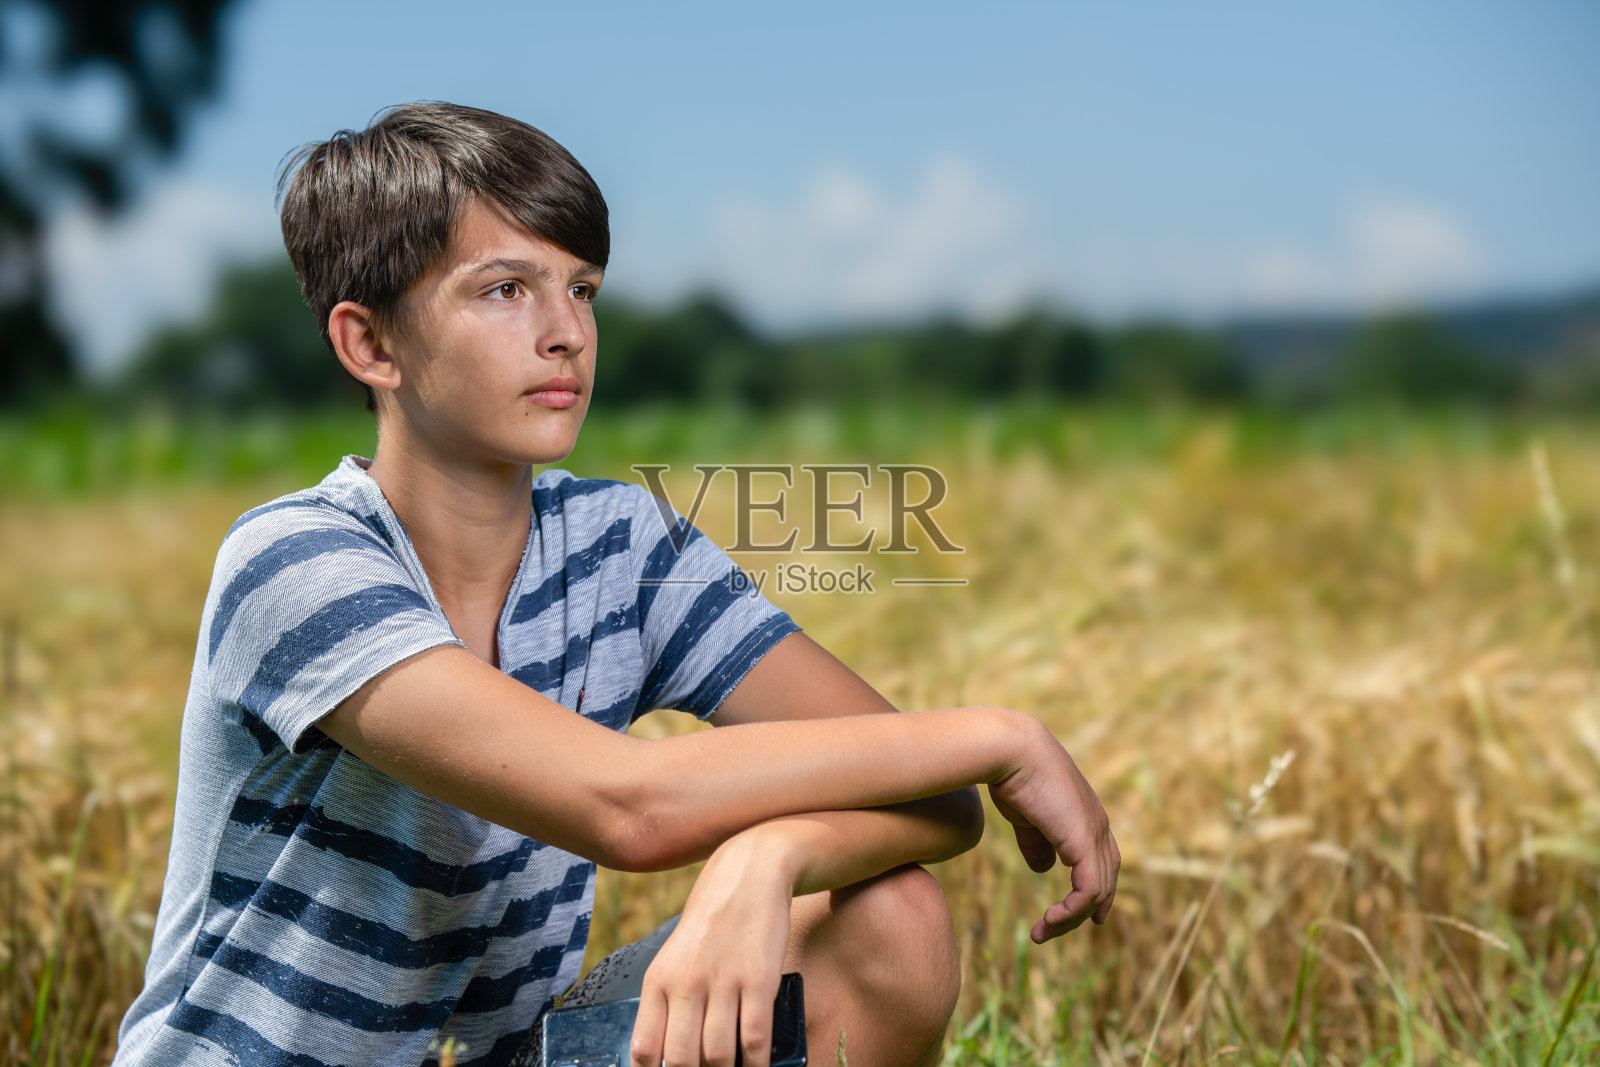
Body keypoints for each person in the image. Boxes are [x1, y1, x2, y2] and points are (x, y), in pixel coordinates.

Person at [111, 101, 1119, 1067]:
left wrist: (766, 860)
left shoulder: (625, 550)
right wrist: (1004, 733)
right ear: (371, 344)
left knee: (889, 913)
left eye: (581, 288)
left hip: (500, 1053)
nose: (566, 333)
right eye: (505, 289)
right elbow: (627, 805)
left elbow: (931, 799)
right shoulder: (296, 560)